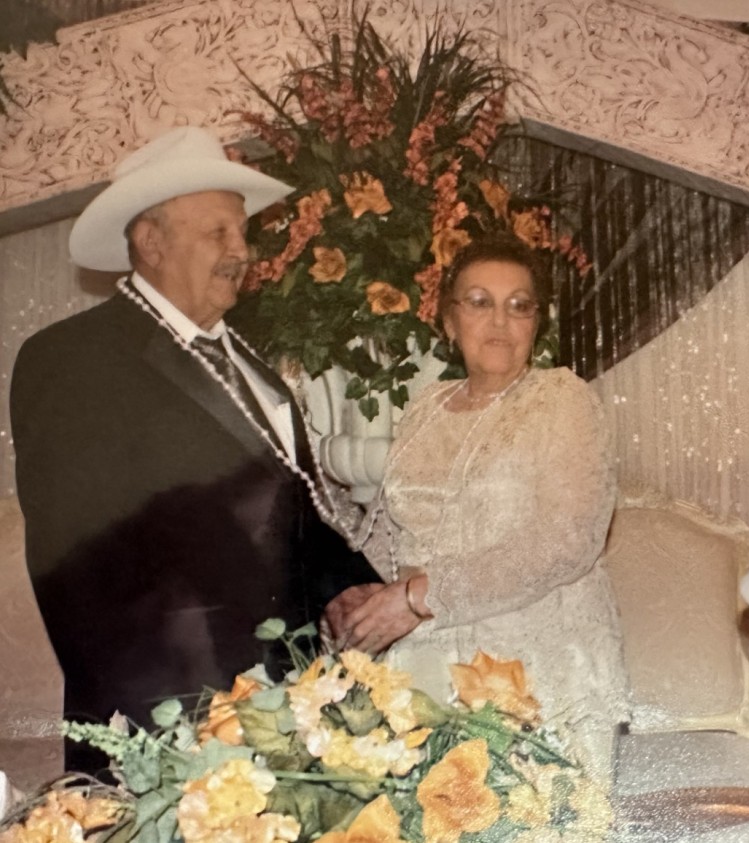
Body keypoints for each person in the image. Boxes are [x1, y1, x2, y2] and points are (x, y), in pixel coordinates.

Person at [10, 126, 380, 772]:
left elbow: (292, 511)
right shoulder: (73, 359)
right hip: (171, 733)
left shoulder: (253, 369)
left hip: (286, 722)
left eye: (243, 232)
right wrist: (178, 736)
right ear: (151, 241)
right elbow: (76, 575)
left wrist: (350, 589)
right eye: (218, 232)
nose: (242, 251)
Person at [326, 235, 627, 779]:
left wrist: (418, 597)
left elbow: (567, 542)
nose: (500, 321)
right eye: (480, 302)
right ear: (449, 320)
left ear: (536, 322)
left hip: (537, 673)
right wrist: (357, 594)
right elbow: (393, 529)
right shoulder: (426, 407)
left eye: (519, 305)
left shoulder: (562, 399)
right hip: (425, 669)